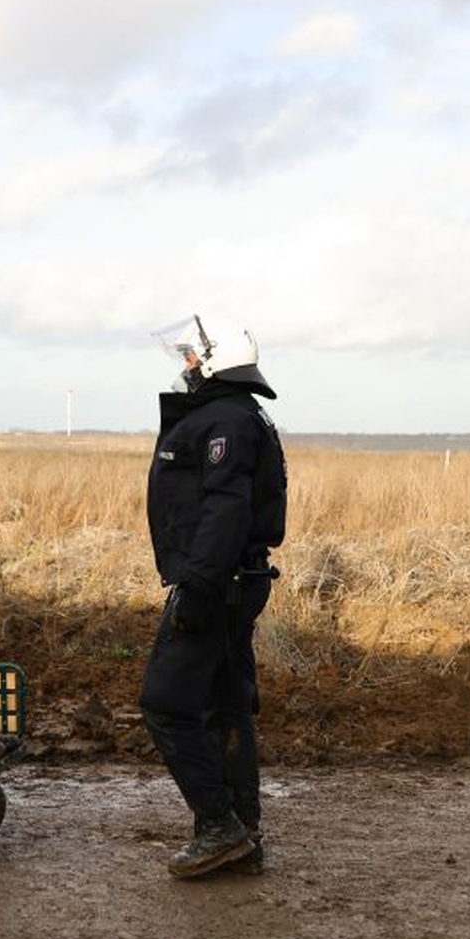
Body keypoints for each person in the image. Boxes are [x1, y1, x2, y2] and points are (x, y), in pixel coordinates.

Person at [139, 316, 287, 878]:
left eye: (195, 359)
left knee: (166, 703)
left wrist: (198, 589)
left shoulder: (225, 420)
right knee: (224, 705)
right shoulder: (239, 415)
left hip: (217, 586)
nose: (186, 367)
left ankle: (220, 825)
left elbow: (224, 513)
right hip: (234, 583)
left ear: (216, 363)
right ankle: (242, 834)